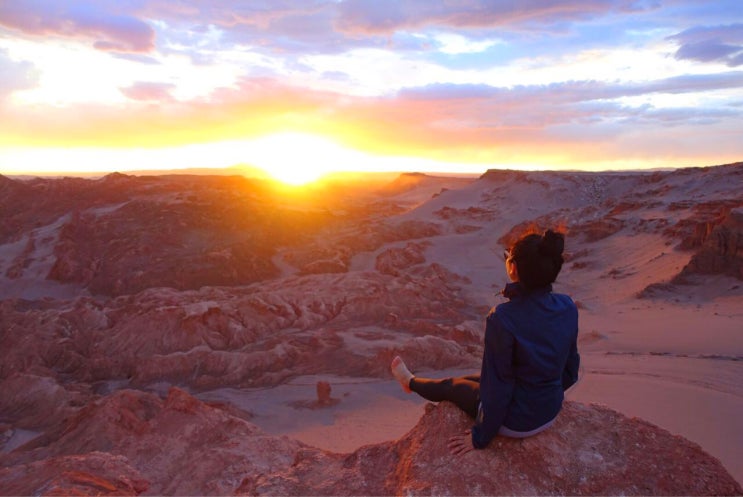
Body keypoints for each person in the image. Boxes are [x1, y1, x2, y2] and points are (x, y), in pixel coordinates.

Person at [391, 229, 579, 455]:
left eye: (508, 256)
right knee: (471, 379)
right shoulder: (567, 305)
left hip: (518, 422)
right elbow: (571, 369)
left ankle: (409, 382)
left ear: (514, 268)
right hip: (550, 409)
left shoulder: (503, 317)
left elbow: (499, 387)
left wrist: (480, 437)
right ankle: (412, 382)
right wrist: (545, 394)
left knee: (452, 386)